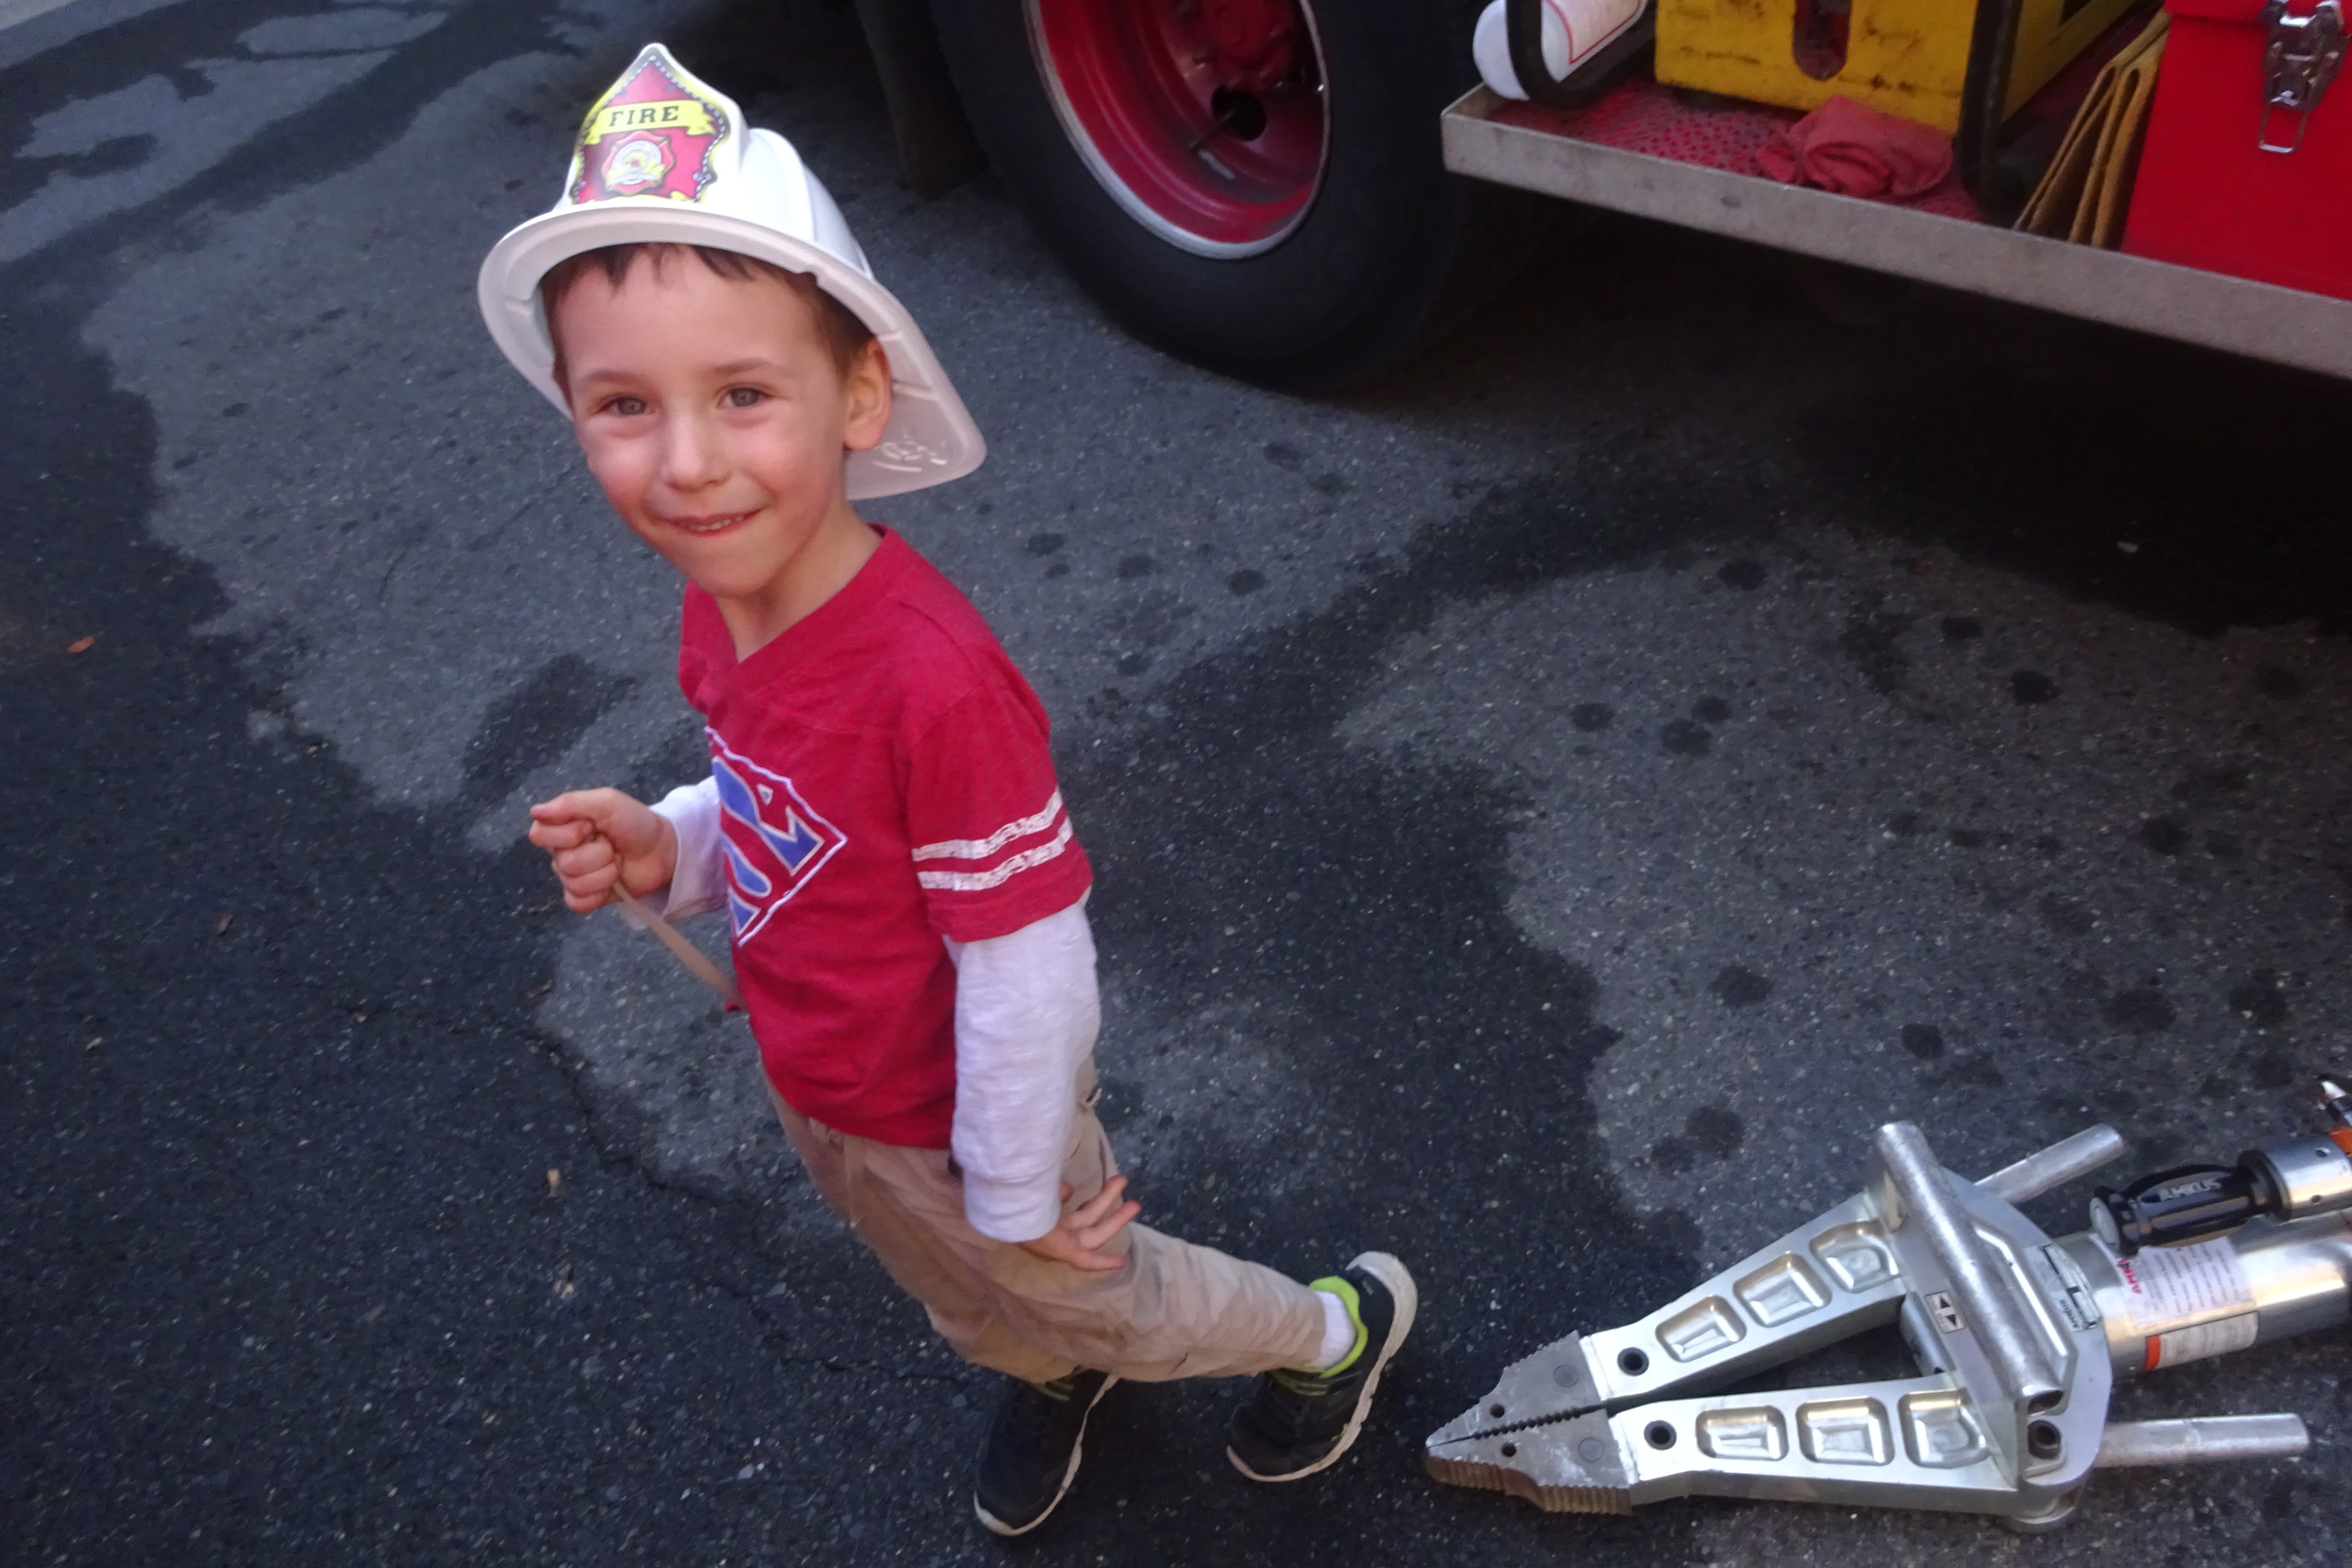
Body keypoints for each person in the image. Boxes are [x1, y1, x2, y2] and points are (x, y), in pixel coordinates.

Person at [477, 45, 1417, 1537]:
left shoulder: (934, 679)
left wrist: (1015, 1192)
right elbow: (775, 805)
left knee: (1108, 1294)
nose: (689, 462)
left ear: (859, 392)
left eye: (742, 392)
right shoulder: (723, 605)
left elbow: (1029, 963)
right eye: (625, 405)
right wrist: (672, 846)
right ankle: (1044, 1364)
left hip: (975, 1116)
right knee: (960, 1297)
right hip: (832, 1094)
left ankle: (1329, 1330)